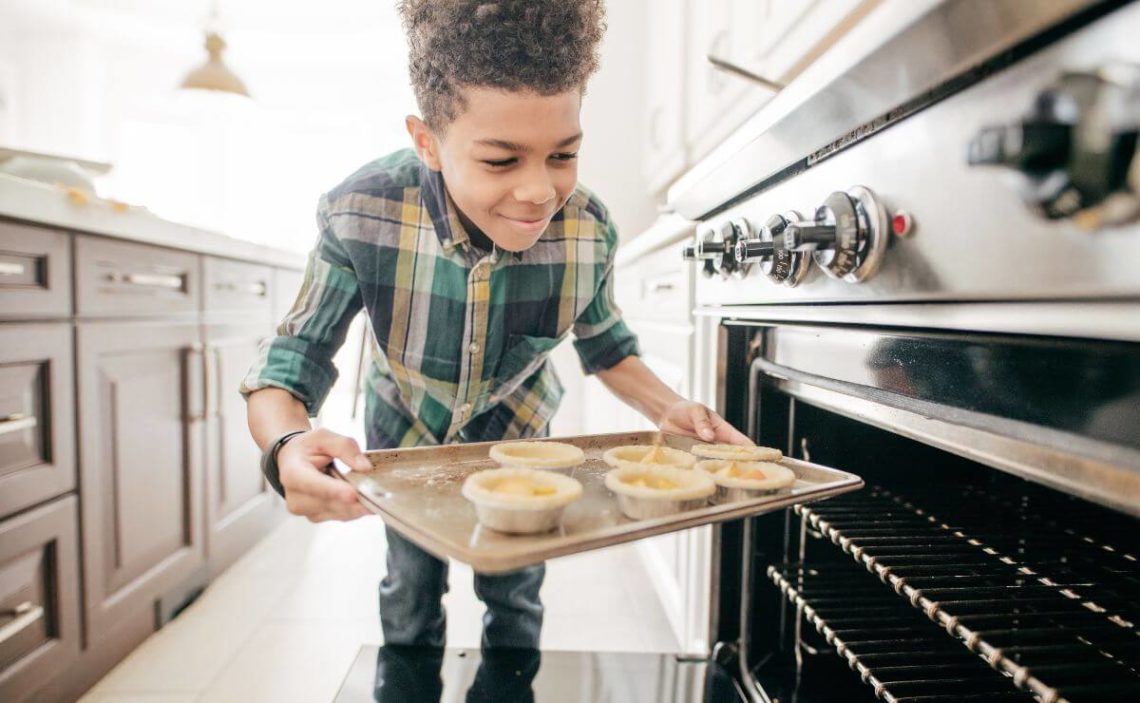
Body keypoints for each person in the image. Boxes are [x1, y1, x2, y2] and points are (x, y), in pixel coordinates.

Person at [241, 0, 751, 652]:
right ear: (427, 141)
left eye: (563, 154)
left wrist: (672, 407)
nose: (539, 191)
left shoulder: (589, 231)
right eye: (501, 161)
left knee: (515, 592)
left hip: (522, 436)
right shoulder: (360, 211)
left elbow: (607, 346)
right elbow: (294, 355)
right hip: (402, 435)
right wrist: (285, 445)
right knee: (409, 585)